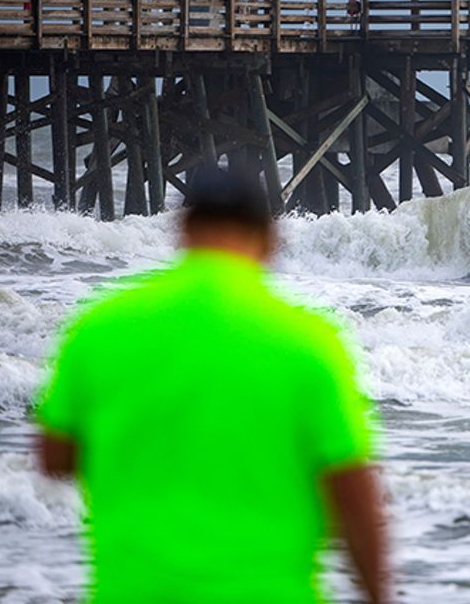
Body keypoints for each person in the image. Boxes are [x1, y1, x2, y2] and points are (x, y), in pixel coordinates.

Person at [36, 165, 389, 604]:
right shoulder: (308, 341)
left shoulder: (99, 326)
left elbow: (55, 459)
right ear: (269, 238)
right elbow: (354, 495)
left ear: (183, 230)